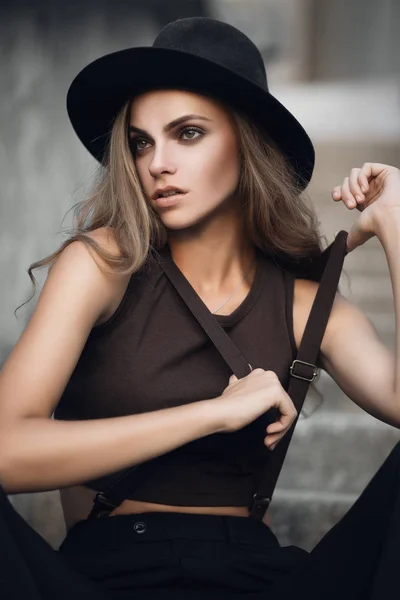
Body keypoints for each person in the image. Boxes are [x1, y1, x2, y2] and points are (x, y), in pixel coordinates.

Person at [1, 15, 400, 600]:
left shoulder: (303, 303)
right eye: (141, 142)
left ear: (248, 142)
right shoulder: (102, 263)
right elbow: (6, 449)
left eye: (187, 133)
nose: (156, 162)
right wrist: (210, 415)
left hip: (255, 576)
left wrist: (396, 224)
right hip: (106, 572)